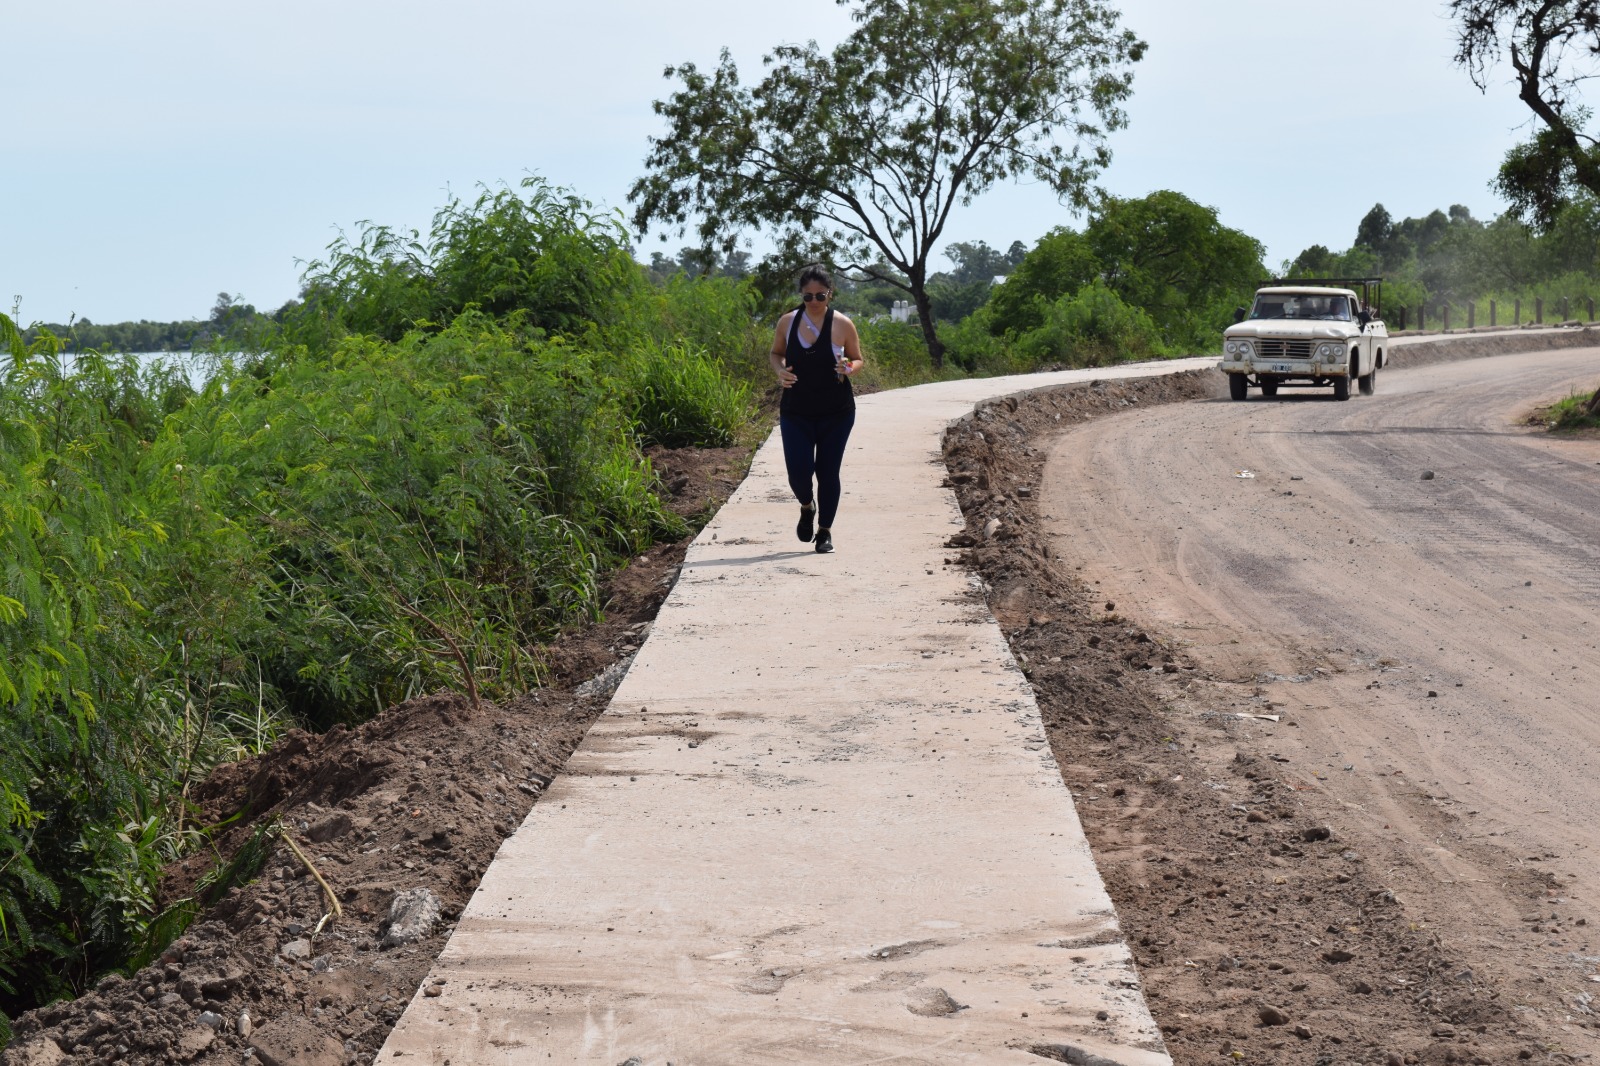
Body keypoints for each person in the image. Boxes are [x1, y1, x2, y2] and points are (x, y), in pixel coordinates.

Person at [770, 264, 864, 554]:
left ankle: (824, 531)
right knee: (798, 473)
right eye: (807, 296)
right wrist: (779, 371)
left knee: (827, 472)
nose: (813, 302)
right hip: (796, 410)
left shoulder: (843, 324)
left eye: (820, 296)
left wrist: (848, 366)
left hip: (836, 412)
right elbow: (776, 353)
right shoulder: (788, 322)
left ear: (830, 295)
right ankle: (806, 506)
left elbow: (858, 359)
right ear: (801, 295)